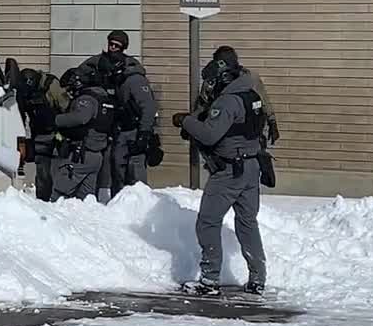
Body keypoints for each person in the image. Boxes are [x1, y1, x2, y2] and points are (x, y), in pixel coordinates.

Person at [172, 56, 270, 297]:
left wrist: (185, 121)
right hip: (251, 167)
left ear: (223, 79)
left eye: (211, 82)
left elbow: (209, 135)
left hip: (229, 171)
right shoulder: (252, 96)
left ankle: (209, 279)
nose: (209, 87)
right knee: (248, 223)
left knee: (207, 222)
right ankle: (258, 279)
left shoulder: (227, 102)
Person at [78, 30, 163, 199]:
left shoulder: (133, 78)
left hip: (134, 129)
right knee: (117, 170)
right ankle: (118, 206)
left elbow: (148, 106)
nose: (113, 48)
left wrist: (144, 134)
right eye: (111, 44)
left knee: (135, 173)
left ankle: (140, 208)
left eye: (117, 46)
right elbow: (82, 71)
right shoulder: (100, 62)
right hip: (115, 129)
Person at [194, 46, 279, 148]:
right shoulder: (212, 80)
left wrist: (272, 123)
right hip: (221, 135)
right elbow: (202, 104)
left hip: (248, 135)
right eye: (221, 61)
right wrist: (192, 123)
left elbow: (263, 100)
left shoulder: (249, 78)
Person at [50, 66, 115, 201]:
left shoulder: (86, 98)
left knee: (59, 196)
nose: (69, 92)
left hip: (81, 155)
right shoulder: (104, 97)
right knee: (85, 201)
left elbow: (80, 118)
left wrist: (55, 120)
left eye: (70, 87)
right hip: (96, 155)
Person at [15, 67, 70, 202]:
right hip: (39, 134)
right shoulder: (22, 90)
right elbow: (20, 115)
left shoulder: (51, 85)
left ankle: (59, 200)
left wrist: (64, 134)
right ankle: (43, 200)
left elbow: (66, 108)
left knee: (58, 169)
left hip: (57, 133)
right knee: (42, 172)